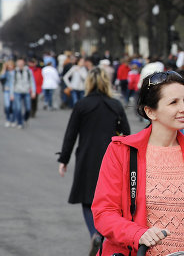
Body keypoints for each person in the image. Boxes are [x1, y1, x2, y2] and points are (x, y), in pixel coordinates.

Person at [92, 70, 184, 256]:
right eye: (173, 103)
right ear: (150, 111)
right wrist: (138, 234)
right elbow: (104, 213)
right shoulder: (122, 151)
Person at [58, 68, 130, 256]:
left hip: (87, 157)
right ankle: (102, 234)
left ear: (88, 83)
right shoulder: (115, 105)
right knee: (111, 200)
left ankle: (94, 234)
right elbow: (127, 134)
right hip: (112, 158)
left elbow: (71, 134)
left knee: (87, 199)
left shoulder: (82, 105)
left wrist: (63, 159)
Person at [9, 57, 36, 129]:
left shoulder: (28, 71)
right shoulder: (14, 72)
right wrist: (11, 94)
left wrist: (33, 91)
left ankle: (25, 119)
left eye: (21, 63)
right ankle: (20, 122)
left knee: (28, 108)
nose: (20, 64)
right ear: (17, 64)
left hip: (26, 91)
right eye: (19, 63)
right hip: (17, 92)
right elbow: (12, 84)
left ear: (23, 63)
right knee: (18, 108)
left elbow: (32, 82)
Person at [0, 60, 16, 127]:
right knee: (7, 105)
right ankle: (8, 119)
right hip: (7, 90)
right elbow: (1, 78)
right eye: (8, 65)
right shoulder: (6, 72)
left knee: (13, 107)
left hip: (15, 91)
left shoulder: (15, 72)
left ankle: (13, 120)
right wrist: (4, 68)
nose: (10, 67)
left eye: (11, 65)